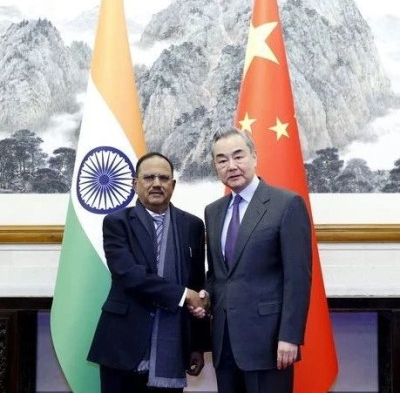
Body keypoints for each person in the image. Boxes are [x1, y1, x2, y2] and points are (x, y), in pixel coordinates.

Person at [199, 128, 312, 393]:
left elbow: (297, 278)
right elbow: (218, 274)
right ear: (215, 166)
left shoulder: (286, 204)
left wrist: (290, 336)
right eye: (222, 160)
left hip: (268, 342)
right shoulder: (213, 212)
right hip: (225, 342)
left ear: (254, 156)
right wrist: (206, 293)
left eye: (238, 156)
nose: (231, 166)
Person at [88, 152, 210, 393]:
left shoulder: (193, 226)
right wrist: (183, 294)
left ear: (173, 185)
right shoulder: (117, 223)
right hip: (122, 344)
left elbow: (197, 282)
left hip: (173, 349)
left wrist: (197, 345)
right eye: (149, 177)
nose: (156, 183)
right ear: (135, 183)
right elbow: (130, 275)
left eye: (163, 178)